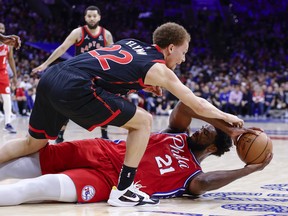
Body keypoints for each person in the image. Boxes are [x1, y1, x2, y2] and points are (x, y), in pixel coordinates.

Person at [0, 22, 244, 207]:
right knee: (143, 121)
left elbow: (106, 69)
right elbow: (194, 103)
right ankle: (124, 189)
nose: (183, 58)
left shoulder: (129, 42)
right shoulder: (160, 69)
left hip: (53, 77)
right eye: (183, 52)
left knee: (33, 143)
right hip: (75, 86)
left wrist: (139, 85)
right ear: (171, 48)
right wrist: (226, 117)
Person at [0, 101, 272, 206]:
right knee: (22, 164)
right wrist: (224, 123)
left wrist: (250, 170)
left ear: (212, 148)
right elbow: (185, 107)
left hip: (108, 183)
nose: (200, 130)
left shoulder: (193, 176)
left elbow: (204, 185)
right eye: (205, 127)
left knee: (37, 187)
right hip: (99, 150)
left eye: (208, 133)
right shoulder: (175, 132)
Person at [32, 5, 114, 142]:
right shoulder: (78, 32)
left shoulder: (106, 35)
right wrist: (45, 64)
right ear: (85, 18)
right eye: (89, 16)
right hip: (79, 73)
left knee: (105, 102)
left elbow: (112, 56)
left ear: (99, 17)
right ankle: (60, 135)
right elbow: (63, 48)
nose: (92, 19)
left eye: (94, 16)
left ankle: (104, 133)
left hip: (98, 74)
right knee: (67, 101)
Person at [0, 23, 18, 133]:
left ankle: (7, 123)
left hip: (3, 73)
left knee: (7, 98)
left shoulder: (9, 44)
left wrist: (15, 75)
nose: (1, 30)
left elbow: (10, 59)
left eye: (2, 28)